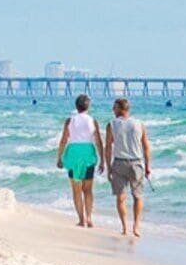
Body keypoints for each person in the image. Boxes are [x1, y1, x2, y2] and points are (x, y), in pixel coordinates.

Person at [101, 95, 152, 241]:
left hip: (119, 163)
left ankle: (125, 228)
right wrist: (148, 166)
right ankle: (136, 226)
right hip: (136, 163)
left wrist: (108, 166)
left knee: (121, 197)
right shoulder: (139, 124)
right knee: (138, 196)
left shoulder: (111, 124)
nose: (113, 109)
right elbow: (146, 147)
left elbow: (108, 147)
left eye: (115, 107)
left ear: (121, 109)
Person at [56, 94, 102, 227]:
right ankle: (89, 217)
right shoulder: (93, 121)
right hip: (88, 153)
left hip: (73, 154)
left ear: (76, 106)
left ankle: (81, 220)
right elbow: (98, 141)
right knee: (88, 189)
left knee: (76, 190)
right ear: (88, 106)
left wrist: (59, 157)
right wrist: (103, 160)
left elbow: (64, 140)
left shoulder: (69, 120)